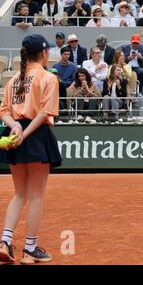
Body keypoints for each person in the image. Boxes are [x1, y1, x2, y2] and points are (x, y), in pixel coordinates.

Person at [0, 34, 62, 264]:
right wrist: (24, 134)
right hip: (35, 135)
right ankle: (30, 248)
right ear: (44, 53)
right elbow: (45, 113)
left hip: (14, 133)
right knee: (36, 195)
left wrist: (14, 126)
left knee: (20, 193)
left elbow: (4, 110)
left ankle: (5, 242)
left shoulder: (14, 78)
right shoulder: (48, 77)